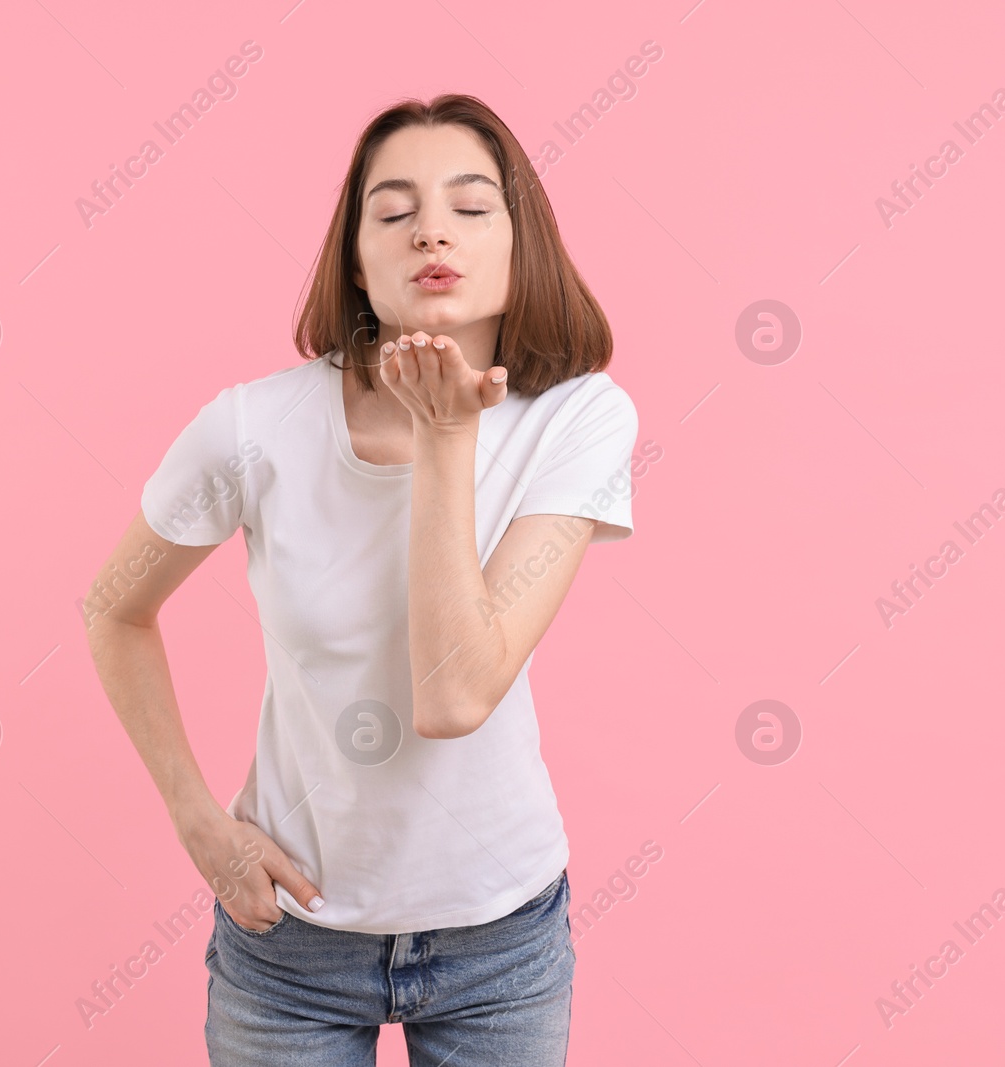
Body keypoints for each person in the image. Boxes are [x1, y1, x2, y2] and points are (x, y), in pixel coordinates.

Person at [83, 93, 640, 1066]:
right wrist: (200, 824)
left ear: (522, 244)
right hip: (289, 942)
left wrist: (445, 437)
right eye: (393, 210)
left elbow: (457, 691)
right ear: (354, 258)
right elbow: (113, 608)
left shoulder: (579, 419)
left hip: (499, 939)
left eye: (471, 206)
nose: (431, 228)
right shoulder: (253, 427)